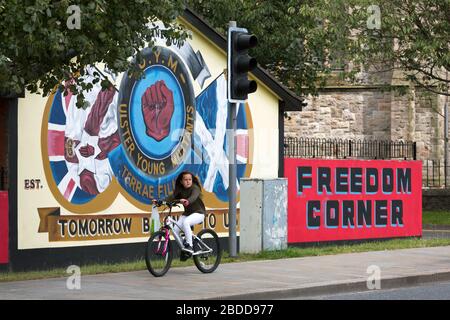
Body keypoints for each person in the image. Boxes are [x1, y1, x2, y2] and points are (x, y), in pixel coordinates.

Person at [153, 171, 206, 254]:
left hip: (199, 213)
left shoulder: (195, 188)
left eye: (190, 179)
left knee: (186, 222)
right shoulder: (180, 190)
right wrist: (160, 202)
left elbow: (194, 196)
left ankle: (190, 246)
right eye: (185, 180)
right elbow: (171, 197)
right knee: (175, 231)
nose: (188, 181)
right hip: (187, 214)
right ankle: (185, 248)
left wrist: (188, 201)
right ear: (181, 181)